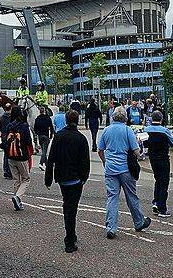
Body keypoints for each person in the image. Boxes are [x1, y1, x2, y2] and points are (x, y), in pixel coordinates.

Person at [98, 107, 151, 238]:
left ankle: (111, 227)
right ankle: (139, 221)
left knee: (112, 198)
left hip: (110, 168)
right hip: (125, 169)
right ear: (125, 118)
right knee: (131, 196)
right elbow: (136, 151)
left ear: (113, 117)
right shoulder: (128, 130)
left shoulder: (106, 130)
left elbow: (100, 150)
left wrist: (105, 162)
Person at [45, 110, 90, 252]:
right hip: (76, 179)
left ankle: (71, 234)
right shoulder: (81, 138)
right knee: (72, 208)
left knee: (67, 206)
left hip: (62, 177)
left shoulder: (58, 137)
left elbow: (50, 158)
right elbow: (85, 161)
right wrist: (84, 177)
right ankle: (69, 240)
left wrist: (48, 178)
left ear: (65, 120)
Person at [145, 110, 173, 218]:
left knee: (157, 180)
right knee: (164, 183)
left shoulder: (146, 130)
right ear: (161, 119)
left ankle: (156, 202)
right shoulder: (165, 131)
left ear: (151, 118)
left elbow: (143, 142)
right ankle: (162, 209)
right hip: (163, 158)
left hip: (152, 158)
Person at [3, 106, 32, 210]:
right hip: (21, 155)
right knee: (26, 178)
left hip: (10, 156)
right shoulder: (24, 126)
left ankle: (18, 203)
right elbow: (28, 141)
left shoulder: (9, 125)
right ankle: (18, 197)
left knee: (16, 180)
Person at [33, 105, 53, 169]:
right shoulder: (48, 118)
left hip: (40, 136)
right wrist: (51, 135)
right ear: (44, 111)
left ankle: (47, 164)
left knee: (43, 149)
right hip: (46, 135)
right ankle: (41, 163)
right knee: (44, 151)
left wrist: (37, 133)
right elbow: (51, 127)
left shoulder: (37, 119)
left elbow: (35, 128)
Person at [0, 103, 14, 179]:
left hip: (4, 137)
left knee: (5, 154)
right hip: (11, 137)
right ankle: (10, 172)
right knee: (11, 155)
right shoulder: (13, 118)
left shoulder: (1, 118)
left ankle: (5, 171)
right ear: (11, 108)